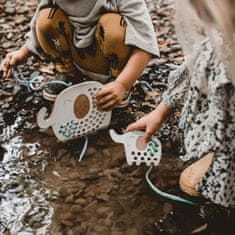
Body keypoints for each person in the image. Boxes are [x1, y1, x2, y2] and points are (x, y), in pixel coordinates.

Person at [127, 0, 235, 233]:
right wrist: (161, 111)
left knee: (191, 183)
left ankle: (215, 214)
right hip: (224, 130)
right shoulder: (219, 40)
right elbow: (193, 65)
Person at [0, 0, 159, 109]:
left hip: (111, 61)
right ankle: (69, 74)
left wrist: (122, 85)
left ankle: (114, 81)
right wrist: (22, 53)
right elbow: (38, 26)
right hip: (76, 58)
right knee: (46, 19)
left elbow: (145, 44)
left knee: (114, 25)